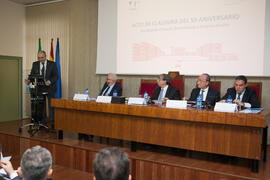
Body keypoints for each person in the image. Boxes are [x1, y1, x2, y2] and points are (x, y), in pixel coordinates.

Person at [25, 50, 58, 129]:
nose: (41, 59)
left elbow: (56, 76)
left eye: (42, 57)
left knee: (51, 106)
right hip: (39, 88)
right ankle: (43, 123)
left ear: (45, 56)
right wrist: (29, 80)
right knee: (42, 106)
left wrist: (49, 81)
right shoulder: (35, 64)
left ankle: (52, 123)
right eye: (39, 58)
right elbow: (32, 75)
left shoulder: (52, 64)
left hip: (50, 88)